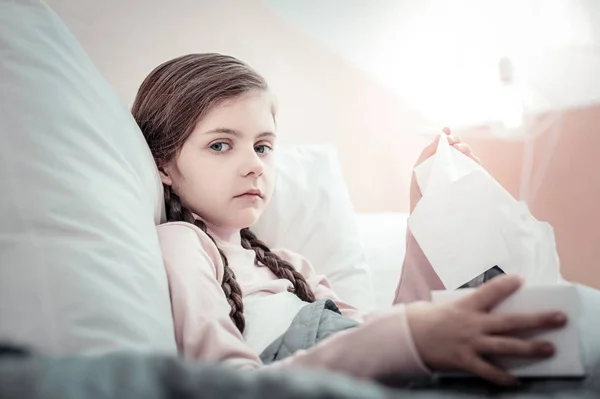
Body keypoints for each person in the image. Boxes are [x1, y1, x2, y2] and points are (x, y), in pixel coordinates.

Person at [131, 53, 567, 387]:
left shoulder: (290, 265)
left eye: (263, 147)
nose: (254, 165)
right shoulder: (183, 245)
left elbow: (384, 337)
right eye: (221, 145)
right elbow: (231, 387)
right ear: (165, 164)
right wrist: (407, 337)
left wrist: (425, 217)